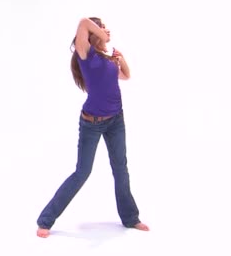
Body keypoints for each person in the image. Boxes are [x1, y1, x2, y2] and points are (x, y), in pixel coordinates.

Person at [36, 16, 149, 238]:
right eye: (101, 28)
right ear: (93, 35)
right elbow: (83, 22)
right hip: (92, 123)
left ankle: (130, 218)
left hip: (116, 121)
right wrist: (100, 31)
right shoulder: (85, 55)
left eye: (105, 27)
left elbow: (126, 75)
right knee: (82, 172)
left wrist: (121, 58)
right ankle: (46, 220)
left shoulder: (107, 59)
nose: (106, 30)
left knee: (120, 168)